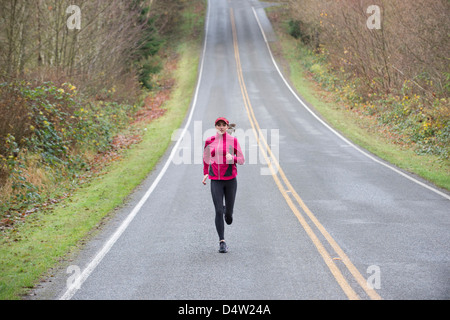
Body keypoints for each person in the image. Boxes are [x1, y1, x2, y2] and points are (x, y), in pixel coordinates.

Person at [202, 117, 245, 253]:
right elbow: (206, 158)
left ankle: (229, 212)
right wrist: (205, 173)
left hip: (230, 180)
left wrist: (233, 158)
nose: (221, 127)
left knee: (229, 216)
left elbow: (242, 160)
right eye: (218, 125)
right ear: (215, 127)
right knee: (218, 211)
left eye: (223, 125)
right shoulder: (210, 141)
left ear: (227, 127)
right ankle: (222, 241)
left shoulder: (233, 141)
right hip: (215, 179)